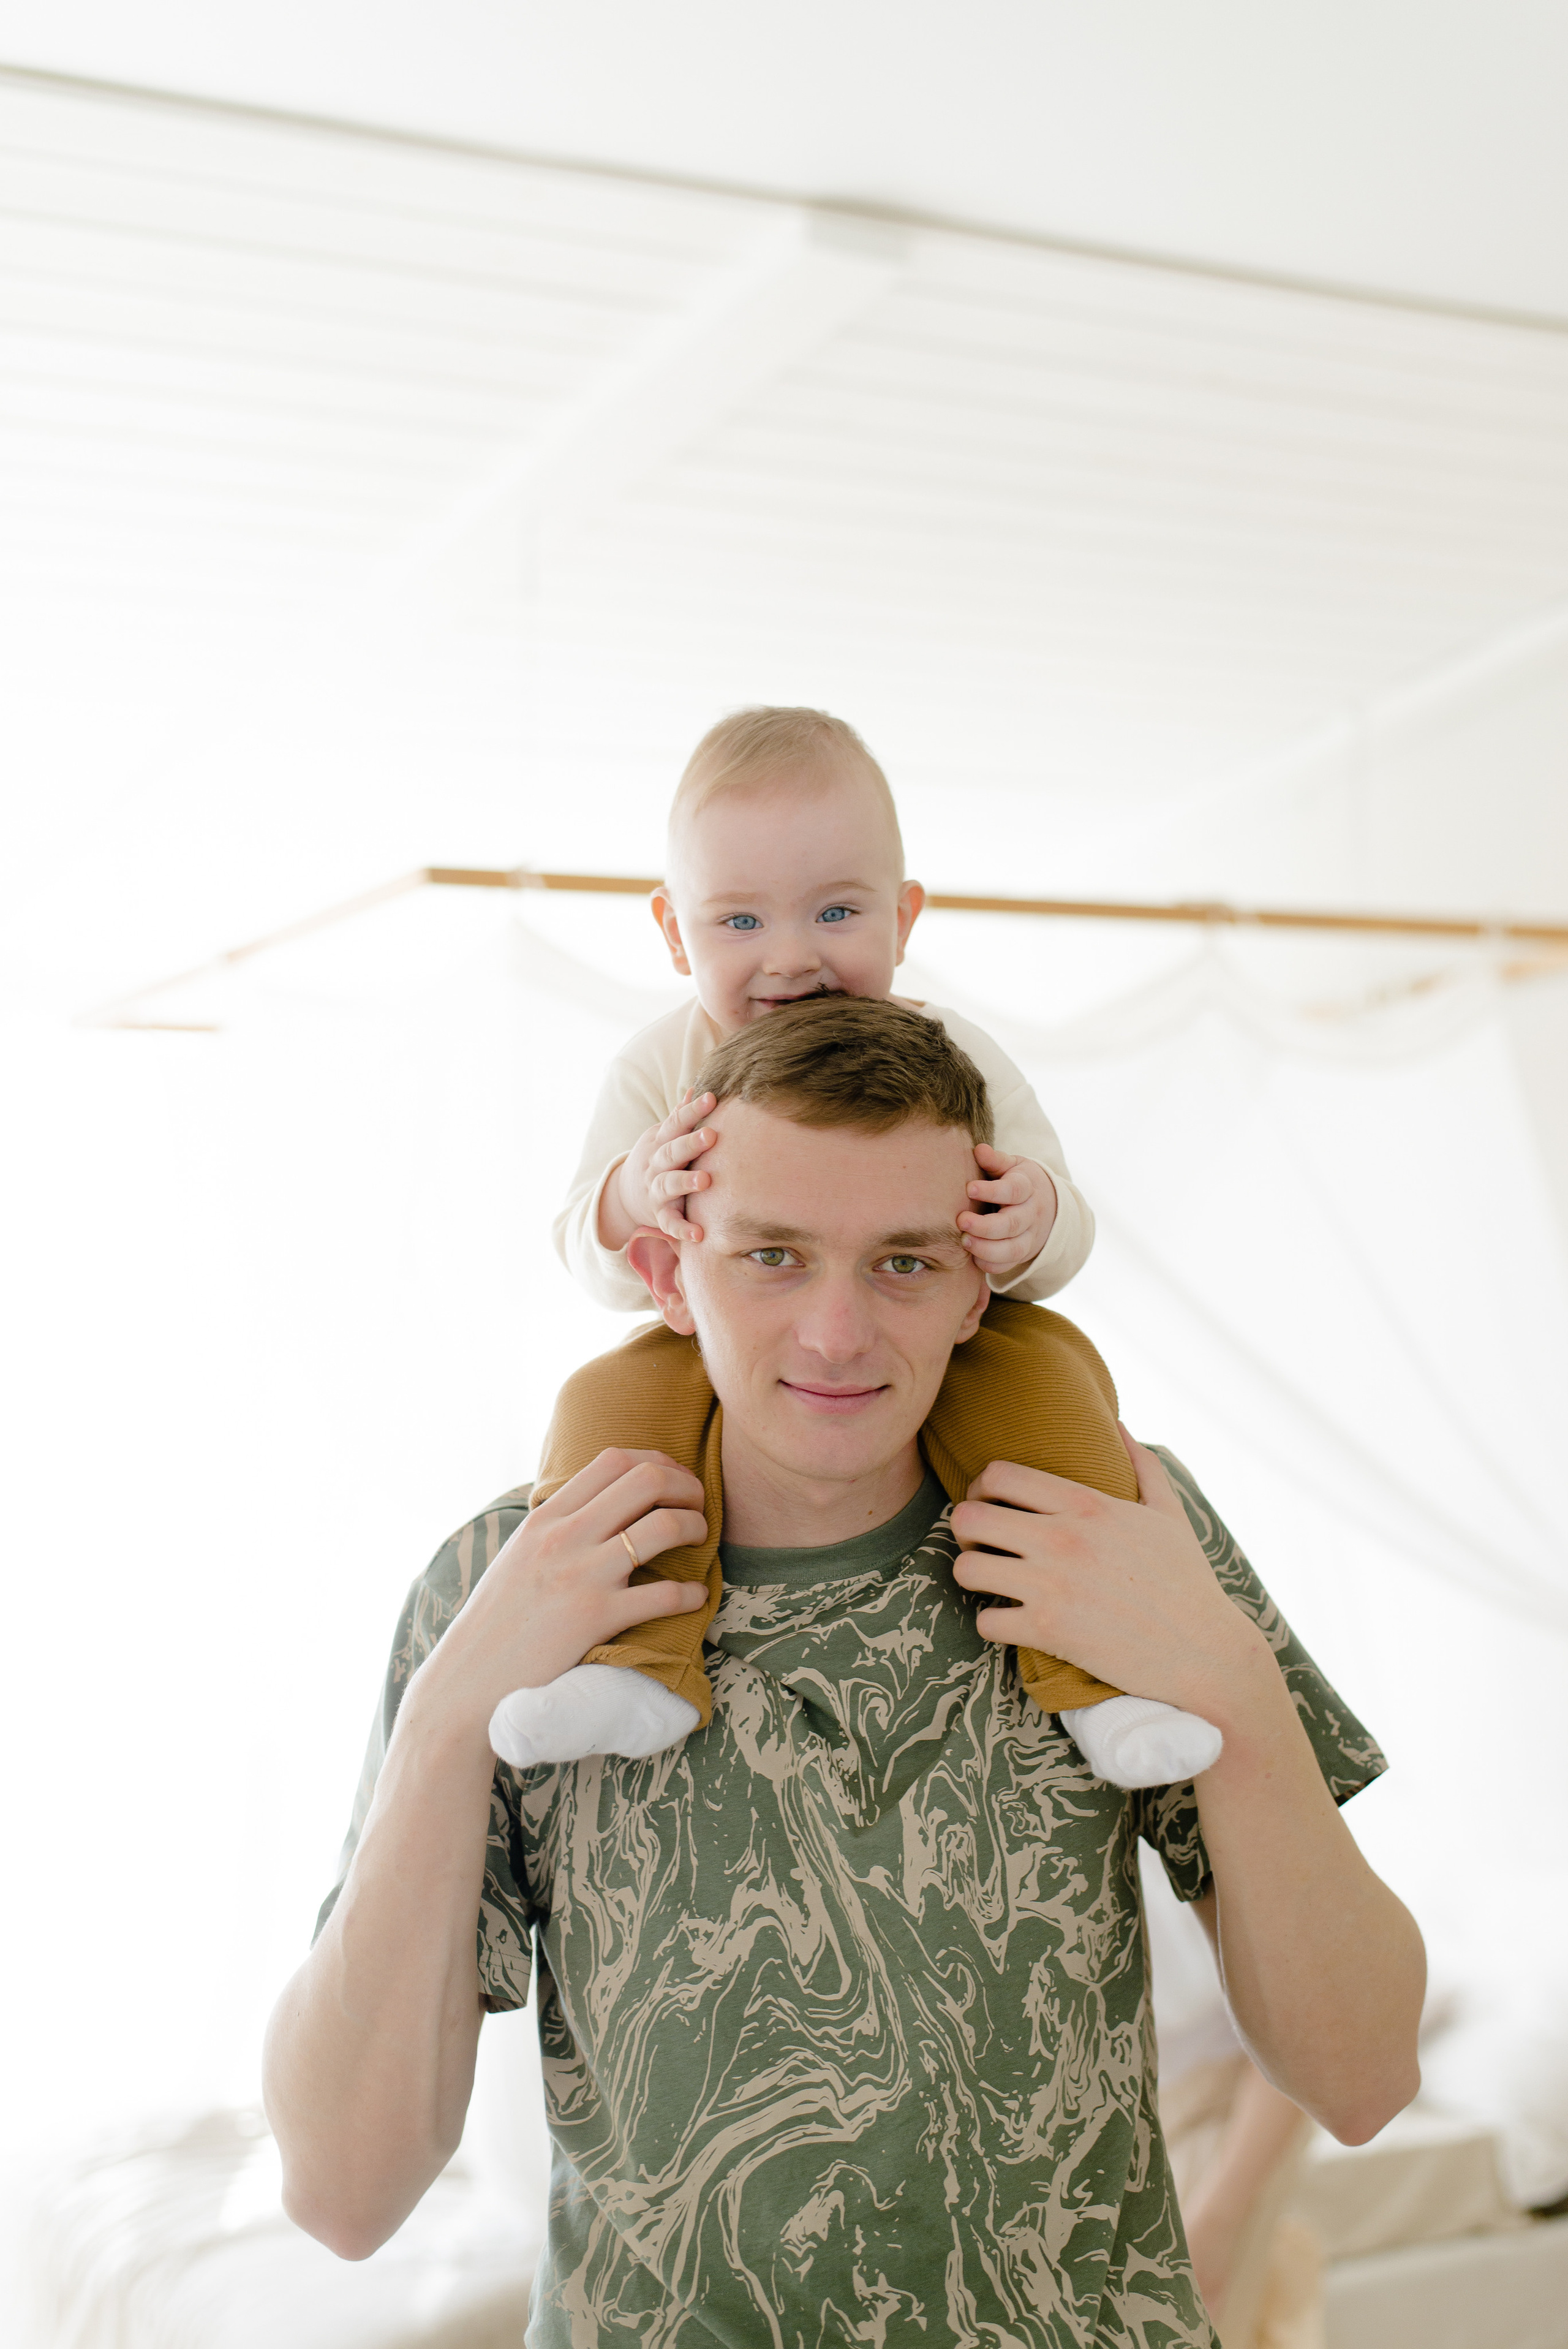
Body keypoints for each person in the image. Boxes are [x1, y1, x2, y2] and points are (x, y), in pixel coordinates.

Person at [264, 995, 1424, 2347]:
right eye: (770, 1256)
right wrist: (447, 1717)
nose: (833, 1336)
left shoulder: (1111, 1532)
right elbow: (343, 2195)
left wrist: (1230, 1682)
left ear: (979, 1280)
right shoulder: (511, 1587)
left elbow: (1361, 2079)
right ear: (665, 1268)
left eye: (902, 1264)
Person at [513, 703, 1217, 1788]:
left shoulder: (957, 1057)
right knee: (600, 1415)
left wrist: (1032, 1220)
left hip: (957, 1325)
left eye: (835, 911)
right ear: (671, 932)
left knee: (1062, 1389)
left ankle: (1101, 1681)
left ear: (904, 914)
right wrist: (629, 1194)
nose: (791, 957)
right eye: (740, 922)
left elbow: (1062, 1221)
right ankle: (631, 1662)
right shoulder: (660, 1065)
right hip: (698, 1327)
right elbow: (581, 1244)